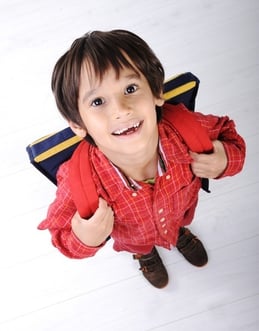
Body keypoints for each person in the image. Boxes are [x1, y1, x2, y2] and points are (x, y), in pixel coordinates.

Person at [38, 30, 246, 289]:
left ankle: (178, 234)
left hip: (177, 212)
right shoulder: (77, 180)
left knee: (177, 223)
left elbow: (229, 136)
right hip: (132, 237)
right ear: (78, 125)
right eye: (98, 101)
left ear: (157, 93)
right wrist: (85, 238)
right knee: (139, 243)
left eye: (130, 88)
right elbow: (60, 233)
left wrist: (225, 160)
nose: (121, 109)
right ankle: (145, 254)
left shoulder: (187, 129)